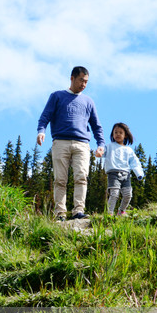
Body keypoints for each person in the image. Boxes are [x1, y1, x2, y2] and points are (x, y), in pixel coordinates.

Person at [37, 66, 105, 221]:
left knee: (81, 177)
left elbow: (96, 125)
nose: (84, 84)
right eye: (81, 80)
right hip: (60, 142)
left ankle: (78, 211)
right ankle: (60, 213)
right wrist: (41, 131)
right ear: (72, 78)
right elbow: (45, 117)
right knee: (60, 179)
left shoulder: (88, 101)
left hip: (82, 144)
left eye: (86, 81)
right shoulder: (57, 96)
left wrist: (100, 143)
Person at [103, 122, 144, 217]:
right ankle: (109, 213)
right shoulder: (109, 146)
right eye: (115, 132)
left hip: (126, 175)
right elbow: (102, 152)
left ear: (125, 135)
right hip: (113, 174)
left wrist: (139, 174)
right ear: (112, 134)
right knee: (114, 194)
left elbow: (135, 162)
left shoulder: (128, 150)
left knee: (128, 194)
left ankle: (121, 211)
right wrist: (98, 153)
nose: (118, 134)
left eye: (120, 132)